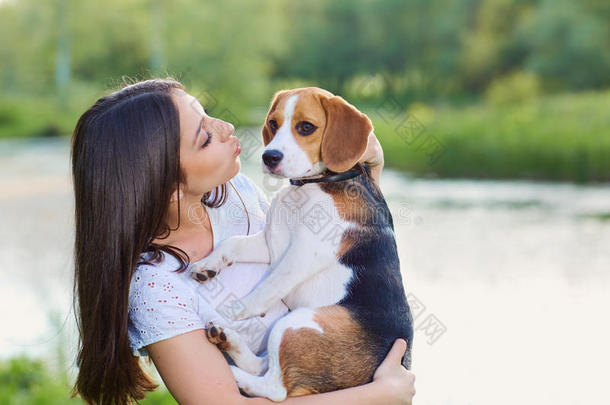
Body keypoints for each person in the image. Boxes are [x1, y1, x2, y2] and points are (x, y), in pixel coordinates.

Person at [71, 78, 416, 405]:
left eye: (208, 114)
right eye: (204, 137)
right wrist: (379, 395)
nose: (227, 127)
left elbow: (336, 249)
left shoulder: (238, 197)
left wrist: (369, 176)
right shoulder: (155, 288)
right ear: (169, 189)